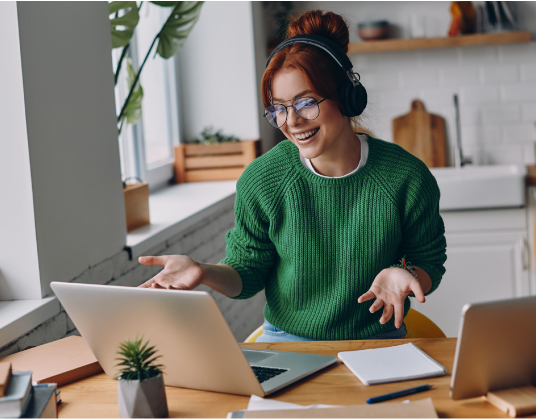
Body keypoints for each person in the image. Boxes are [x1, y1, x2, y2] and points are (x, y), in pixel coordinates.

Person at [138, 10, 446, 342]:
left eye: (306, 103)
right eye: (279, 108)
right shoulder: (263, 179)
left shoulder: (406, 177)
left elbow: (429, 260)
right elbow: (248, 274)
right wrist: (204, 272)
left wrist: (405, 273)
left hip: (377, 340)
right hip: (287, 342)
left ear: (346, 96)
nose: (292, 121)